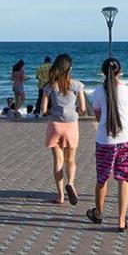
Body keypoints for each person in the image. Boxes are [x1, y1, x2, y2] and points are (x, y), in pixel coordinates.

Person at [87, 57, 128, 231]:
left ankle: (98, 213)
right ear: (120, 71)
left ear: (103, 72)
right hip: (126, 139)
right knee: (124, 180)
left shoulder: (97, 91)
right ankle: (121, 220)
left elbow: (98, 116)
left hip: (105, 140)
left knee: (102, 178)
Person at [41, 53, 88, 206]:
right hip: (71, 125)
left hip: (55, 125)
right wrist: (75, 112)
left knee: (58, 161)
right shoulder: (77, 85)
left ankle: (60, 195)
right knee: (71, 160)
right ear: (70, 69)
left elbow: (43, 109)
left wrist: (52, 112)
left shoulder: (49, 86)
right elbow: (83, 108)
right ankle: (71, 183)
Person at [34, 55, 52, 120]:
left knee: (40, 99)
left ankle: (37, 112)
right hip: (50, 85)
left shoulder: (41, 67)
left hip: (41, 85)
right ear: (50, 61)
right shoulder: (52, 66)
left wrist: (41, 80)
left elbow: (37, 76)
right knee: (49, 99)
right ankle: (47, 111)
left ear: (44, 61)